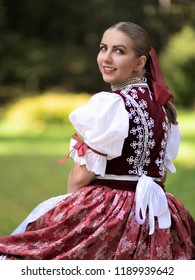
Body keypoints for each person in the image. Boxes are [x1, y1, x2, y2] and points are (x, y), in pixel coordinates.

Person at [0, 21, 195, 260]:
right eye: (104, 48)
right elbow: (159, 177)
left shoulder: (112, 104)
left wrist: (72, 213)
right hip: (156, 214)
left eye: (119, 51)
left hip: (110, 211)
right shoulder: (164, 110)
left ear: (140, 63)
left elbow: (80, 178)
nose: (107, 58)